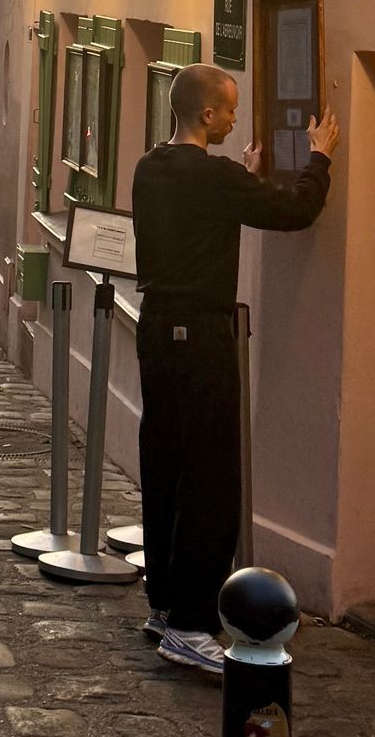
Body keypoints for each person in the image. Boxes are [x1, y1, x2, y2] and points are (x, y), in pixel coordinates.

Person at [131, 63, 339, 677]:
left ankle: (165, 605)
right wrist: (319, 155)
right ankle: (193, 624)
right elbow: (296, 209)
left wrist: (239, 179)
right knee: (211, 481)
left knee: (165, 467)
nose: (233, 120)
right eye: (228, 111)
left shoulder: (150, 167)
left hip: (157, 330)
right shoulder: (213, 178)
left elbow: (199, 216)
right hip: (201, 337)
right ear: (205, 115)